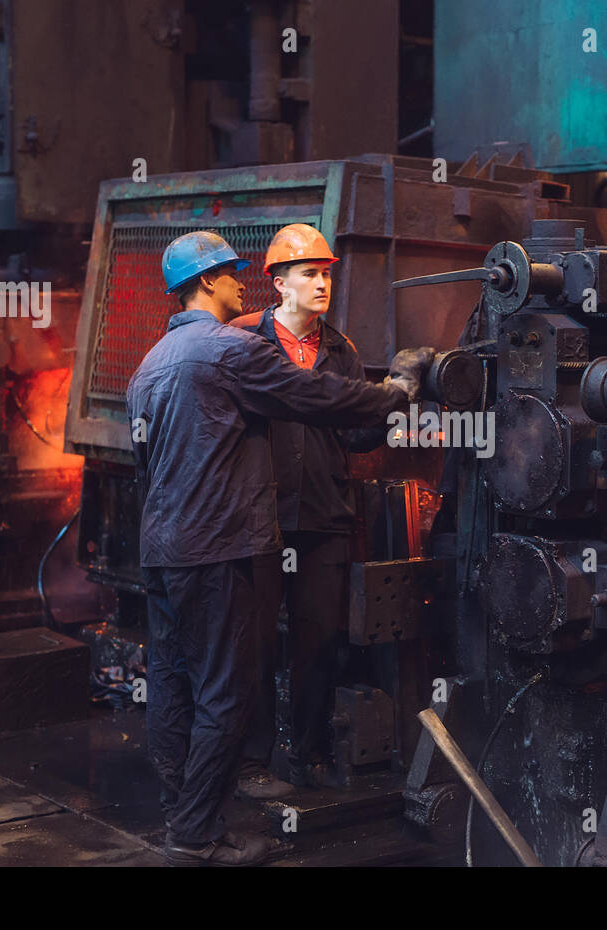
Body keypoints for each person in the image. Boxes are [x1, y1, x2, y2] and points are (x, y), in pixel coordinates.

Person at [125, 230, 432, 865]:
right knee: (225, 692)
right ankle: (197, 835)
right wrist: (398, 390)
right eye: (235, 274)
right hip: (221, 551)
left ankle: (179, 815)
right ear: (207, 282)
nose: (244, 283)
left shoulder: (148, 365)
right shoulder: (230, 350)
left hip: (162, 548)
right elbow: (316, 396)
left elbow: (144, 464)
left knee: (174, 685)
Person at [231, 223, 382, 790]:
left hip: (323, 517)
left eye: (326, 274)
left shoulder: (341, 350)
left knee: (318, 644)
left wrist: (388, 414)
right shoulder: (245, 342)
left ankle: (309, 754)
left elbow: (357, 437)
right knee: (257, 645)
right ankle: (251, 761)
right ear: (278, 281)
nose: (322, 284)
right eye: (309, 274)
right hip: (259, 518)